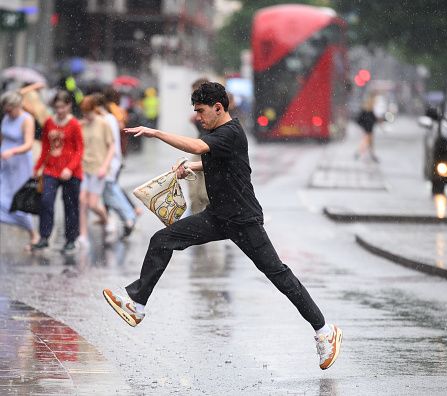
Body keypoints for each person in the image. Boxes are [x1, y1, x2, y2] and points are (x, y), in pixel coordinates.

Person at [103, 82, 342, 370]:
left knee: (278, 274)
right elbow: (217, 160)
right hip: (218, 216)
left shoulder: (229, 132)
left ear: (219, 107)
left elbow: (198, 147)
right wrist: (191, 167)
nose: (198, 117)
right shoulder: (219, 133)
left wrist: (155, 132)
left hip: (243, 219)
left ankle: (325, 330)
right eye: (195, 112)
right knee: (162, 240)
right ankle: (137, 304)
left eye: (201, 111)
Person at [31, 91, 84, 253]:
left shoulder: (74, 124)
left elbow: (79, 149)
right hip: (51, 169)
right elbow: (45, 146)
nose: (60, 110)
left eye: (63, 107)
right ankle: (44, 237)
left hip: (71, 172)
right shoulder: (49, 122)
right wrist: (37, 167)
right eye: (57, 107)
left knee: (70, 206)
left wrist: (70, 168)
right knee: (46, 201)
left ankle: (70, 239)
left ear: (69, 106)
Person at [94, 93, 137, 237]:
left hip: (109, 161)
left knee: (110, 191)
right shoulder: (111, 117)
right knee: (110, 191)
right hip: (114, 160)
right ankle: (126, 217)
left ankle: (129, 216)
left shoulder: (106, 119)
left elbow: (108, 142)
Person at [0, 91, 39, 248]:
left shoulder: (27, 119)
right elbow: (2, 137)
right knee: (2, 196)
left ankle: (33, 234)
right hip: (5, 162)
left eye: (10, 110)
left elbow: (29, 144)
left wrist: (13, 151)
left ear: (17, 106)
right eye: (6, 111)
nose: (8, 113)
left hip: (20, 162)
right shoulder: (6, 118)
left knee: (18, 200)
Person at [78, 95, 116, 246]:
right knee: (82, 201)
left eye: (88, 112)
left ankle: (107, 219)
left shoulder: (103, 124)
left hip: (98, 168)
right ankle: (83, 235)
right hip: (84, 167)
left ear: (94, 109)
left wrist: (105, 166)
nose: (86, 115)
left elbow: (112, 146)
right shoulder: (82, 125)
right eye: (83, 112)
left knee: (93, 204)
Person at [187, 77, 210, 214]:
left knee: (204, 194)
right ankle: (194, 217)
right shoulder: (199, 108)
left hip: (208, 147)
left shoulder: (212, 108)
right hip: (199, 146)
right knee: (195, 193)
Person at [355, 95, 379, 162]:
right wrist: (364, 126)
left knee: (368, 143)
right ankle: (360, 154)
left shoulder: (370, 111)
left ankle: (361, 154)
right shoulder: (365, 112)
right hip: (366, 130)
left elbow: (374, 120)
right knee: (366, 143)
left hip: (370, 130)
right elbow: (359, 120)